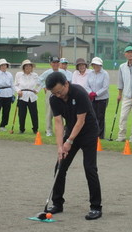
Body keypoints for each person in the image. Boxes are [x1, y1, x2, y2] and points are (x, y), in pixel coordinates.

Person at [45, 71, 102, 220]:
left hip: (88, 132)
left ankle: (96, 207)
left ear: (66, 84)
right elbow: (58, 123)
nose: (58, 95)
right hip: (71, 132)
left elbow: (81, 121)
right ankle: (57, 203)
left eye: (60, 91)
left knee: (90, 168)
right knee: (60, 166)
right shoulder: (54, 99)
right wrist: (60, 146)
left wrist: (69, 142)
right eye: (54, 93)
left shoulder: (79, 93)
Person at [116, 46, 132, 142]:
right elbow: (120, 81)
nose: (130, 54)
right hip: (126, 96)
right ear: (125, 54)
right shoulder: (122, 67)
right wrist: (119, 94)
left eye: (131, 52)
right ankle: (121, 136)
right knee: (123, 117)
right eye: (128, 52)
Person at [39, 56, 65, 136]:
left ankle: (61, 131)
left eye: (57, 62)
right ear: (50, 63)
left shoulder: (62, 72)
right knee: (49, 112)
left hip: (60, 93)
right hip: (50, 92)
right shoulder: (47, 72)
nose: (55, 64)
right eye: (54, 62)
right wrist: (44, 87)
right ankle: (49, 130)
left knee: (61, 112)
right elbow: (39, 79)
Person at [14, 59, 41, 134]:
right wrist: (18, 90)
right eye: (26, 66)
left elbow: (40, 84)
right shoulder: (18, 74)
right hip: (22, 96)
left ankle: (35, 129)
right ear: (23, 67)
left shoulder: (35, 75)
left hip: (32, 96)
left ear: (32, 67)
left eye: (29, 66)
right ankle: (21, 129)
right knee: (22, 114)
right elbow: (15, 85)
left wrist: (37, 90)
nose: (28, 67)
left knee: (34, 114)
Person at [85, 57, 109, 139]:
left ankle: (100, 135)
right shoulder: (90, 73)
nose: (96, 67)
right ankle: (93, 134)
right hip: (92, 98)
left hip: (102, 99)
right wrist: (90, 93)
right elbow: (86, 85)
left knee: (100, 116)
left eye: (98, 65)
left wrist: (96, 94)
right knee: (92, 116)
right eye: (94, 65)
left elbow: (105, 87)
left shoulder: (105, 74)